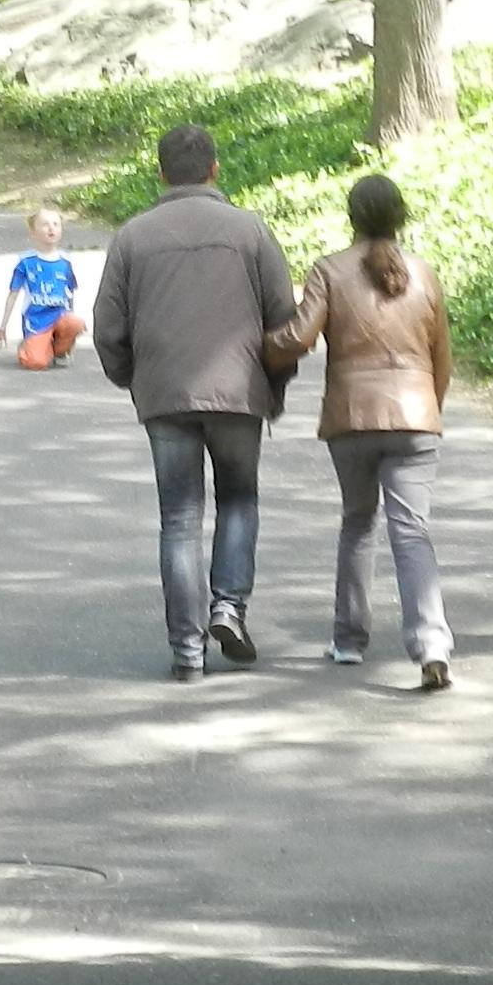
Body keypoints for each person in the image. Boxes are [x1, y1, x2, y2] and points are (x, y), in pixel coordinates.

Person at [92, 123, 295, 680]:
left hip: (166, 396)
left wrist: (135, 379)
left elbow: (108, 327)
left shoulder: (133, 236)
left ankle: (186, 649)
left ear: (160, 174)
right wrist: (273, 383)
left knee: (178, 519)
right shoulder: (251, 230)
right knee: (239, 500)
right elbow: (284, 319)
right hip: (238, 392)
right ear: (215, 169)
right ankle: (228, 606)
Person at [262, 173, 456, 690]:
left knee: (358, 522)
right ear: (401, 216)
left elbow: (298, 338)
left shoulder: (329, 271)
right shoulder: (424, 273)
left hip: (351, 418)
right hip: (416, 419)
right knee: (412, 532)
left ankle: (349, 640)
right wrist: (427, 412)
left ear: (351, 216)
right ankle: (432, 644)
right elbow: (442, 359)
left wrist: (257, 346)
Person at [0, 207, 86, 369]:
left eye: (56, 224)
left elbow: (70, 293)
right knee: (36, 363)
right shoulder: (26, 262)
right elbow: (13, 294)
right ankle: (29, 346)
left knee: (76, 323)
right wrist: (2, 326)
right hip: (37, 321)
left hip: (59, 316)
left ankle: (60, 350)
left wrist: (71, 318)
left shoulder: (65, 262)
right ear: (33, 233)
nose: (51, 228)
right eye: (45, 224)